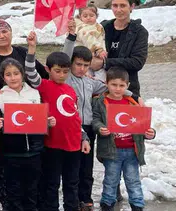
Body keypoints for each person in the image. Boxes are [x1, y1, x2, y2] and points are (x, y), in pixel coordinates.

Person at [62, 24, 141, 211]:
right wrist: (71, 37)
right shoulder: (67, 79)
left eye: (86, 65)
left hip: (88, 127)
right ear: (71, 64)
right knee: (72, 166)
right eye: (78, 64)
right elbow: (65, 55)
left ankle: (86, 198)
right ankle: (72, 200)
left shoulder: (90, 82)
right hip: (71, 126)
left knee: (86, 166)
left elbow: (112, 88)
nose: (82, 69)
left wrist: (134, 96)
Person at [23, 38, 91, 211]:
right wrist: (32, 48)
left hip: (74, 145)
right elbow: (30, 71)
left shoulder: (70, 90)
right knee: (52, 183)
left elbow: (75, 117)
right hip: (53, 145)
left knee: (72, 182)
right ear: (48, 70)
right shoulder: (44, 86)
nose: (61, 75)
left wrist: (84, 138)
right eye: (57, 71)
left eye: (65, 72)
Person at [92, 67, 156, 211]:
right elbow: (95, 119)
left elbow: (143, 125)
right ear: (107, 84)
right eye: (114, 84)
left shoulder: (133, 103)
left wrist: (150, 133)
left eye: (121, 85)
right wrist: (100, 128)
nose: (117, 88)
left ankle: (137, 205)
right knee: (110, 180)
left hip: (132, 151)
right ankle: (107, 203)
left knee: (133, 180)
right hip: (111, 150)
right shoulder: (100, 102)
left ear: (127, 86)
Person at [0, 58, 53, 211]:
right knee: (13, 191)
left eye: (16, 73)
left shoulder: (34, 93)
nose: (13, 78)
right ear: (3, 77)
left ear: (22, 74)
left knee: (32, 190)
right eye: (8, 74)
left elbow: (39, 120)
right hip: (11, 153)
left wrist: (48, 122)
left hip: (34, 151)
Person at [102, 0, 148, 98]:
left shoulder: (139, 32)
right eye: (115, 6)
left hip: (127, 87)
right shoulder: (103, 28)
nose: (118, 10)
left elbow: (137, 62)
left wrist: (105, 63)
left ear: (132, 7)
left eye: (122, 6)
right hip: (102, 86)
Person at [0, 18, 47, 88]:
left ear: (11, 34)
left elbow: (44, 75)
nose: (2, 36)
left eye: (4, 31)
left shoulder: (23, 52)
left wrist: (32, 46)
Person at [74, 5, 106, 81]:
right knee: (86, 74)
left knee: (101, 75)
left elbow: (101, 39)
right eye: (85, 16)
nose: (88, 18)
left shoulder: (98, 26)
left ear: (96, 16)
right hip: (85, 55)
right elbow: (89, 39)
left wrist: (103, 49)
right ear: (80, 17)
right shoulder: (82, 28)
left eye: (91, 15)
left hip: (97, 55)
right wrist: (99, 49)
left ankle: (100, 84)